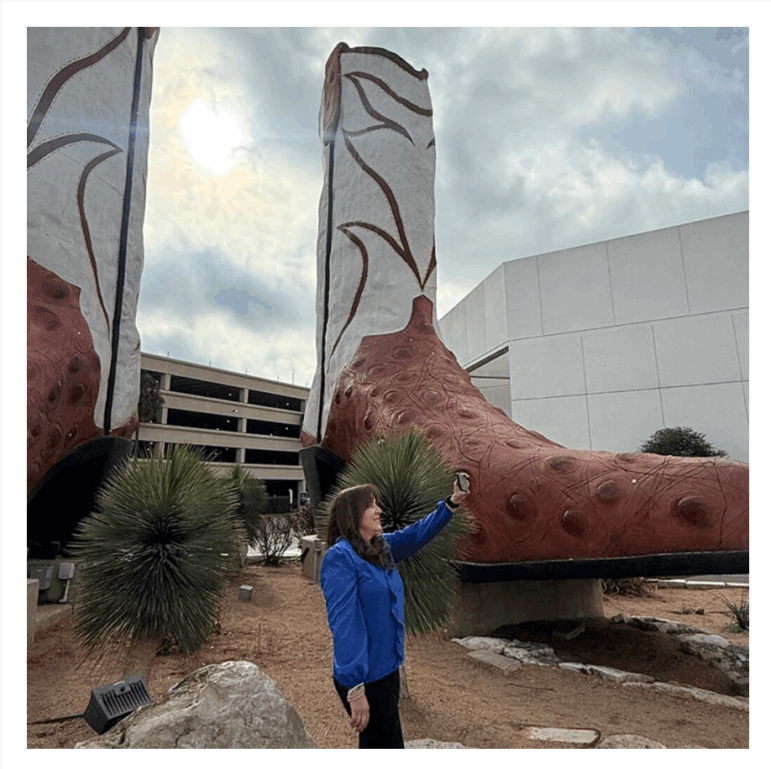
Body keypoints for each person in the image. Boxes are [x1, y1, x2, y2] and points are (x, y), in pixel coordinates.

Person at [320, 477, 469, 748]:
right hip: (364, 676)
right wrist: (354, 687)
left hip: (386, 668)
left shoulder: (381, 548)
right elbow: (345, 624)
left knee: (381, 744)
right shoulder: (340, 558)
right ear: (353, 514)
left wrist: (451, 503)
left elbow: (417, 534)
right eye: (371, 506)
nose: (379, 510)